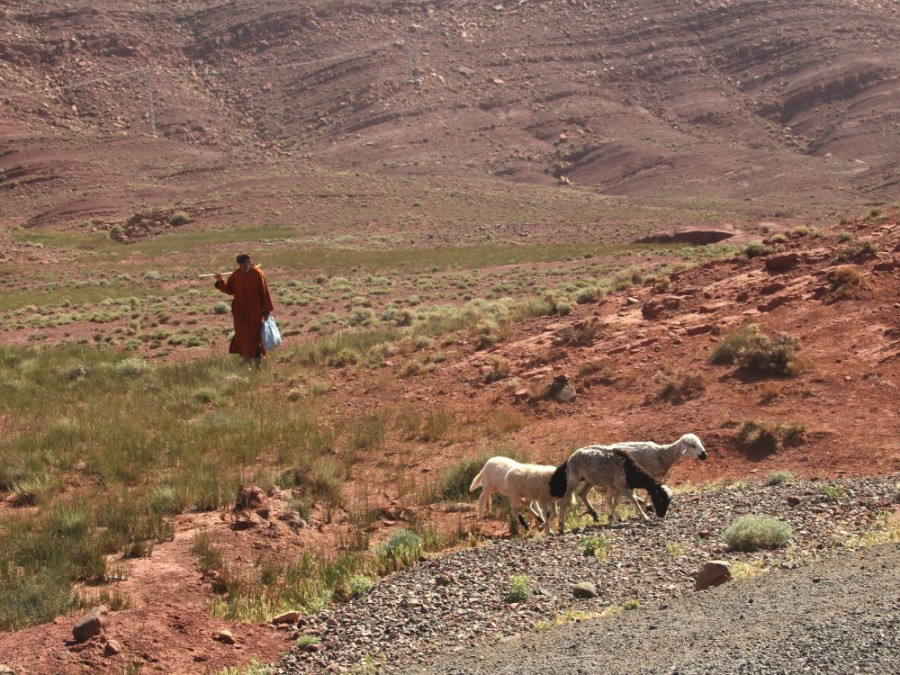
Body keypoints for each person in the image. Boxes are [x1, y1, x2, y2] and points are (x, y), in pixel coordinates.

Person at [214, 253, 274, 367]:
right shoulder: (236, 274)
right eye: (240, 265)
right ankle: (246, 359)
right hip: (240, 312)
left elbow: (264, 293)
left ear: (249, 262)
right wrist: (220, 280)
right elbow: (229, 289)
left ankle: (257, 361)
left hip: (255, 312)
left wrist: (266, 311)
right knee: (242, 335)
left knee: (255, 336)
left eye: (244, 264)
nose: (242, 267)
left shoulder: (258, 274)